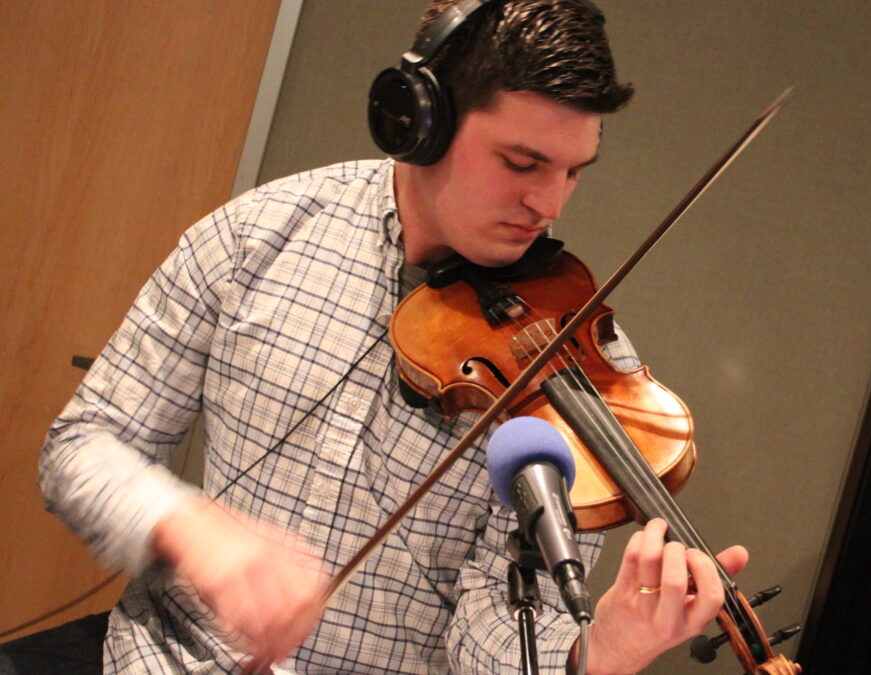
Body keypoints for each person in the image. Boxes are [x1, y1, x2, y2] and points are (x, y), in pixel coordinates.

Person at [38, 0, 748, 672]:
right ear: (421, 121)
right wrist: (186, 524)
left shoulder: (581, 370)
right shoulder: (256, 237)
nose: (549, 203)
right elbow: (82, 445)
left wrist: (596, 655)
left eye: (572, 172)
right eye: (522, 163)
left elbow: (493, 629)